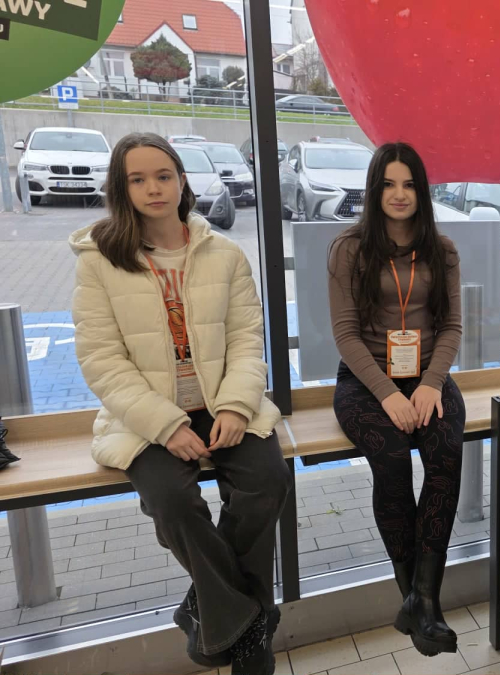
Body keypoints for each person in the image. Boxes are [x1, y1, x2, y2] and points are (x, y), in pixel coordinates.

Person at [69, 133, 288, 675]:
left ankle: (208, 609)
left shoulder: (225, 255)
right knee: (172, 500)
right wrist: (166, 426)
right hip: (144, 415)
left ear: (182, 181)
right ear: (121, 188)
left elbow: (246, 340)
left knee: (267, 481)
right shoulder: (99, 262)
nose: (154, 188)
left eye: (163, 176)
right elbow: (102, 361)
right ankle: (250, 628)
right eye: (138, 179)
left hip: (221, 401)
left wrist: (235, 406)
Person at [328, 142, 465, 657]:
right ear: (374, 189)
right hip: (365, 379)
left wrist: (431, 383)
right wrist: (387, 393)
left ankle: (424, 599)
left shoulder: (442, 250)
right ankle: (416, 600)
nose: (399, 194)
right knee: (390, 459)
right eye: (388, 184)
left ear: (422, 191)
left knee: (446, 454)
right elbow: (345, 334)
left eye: (409, 184)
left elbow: (451, 326)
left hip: (427, 374)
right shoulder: (349, 249)